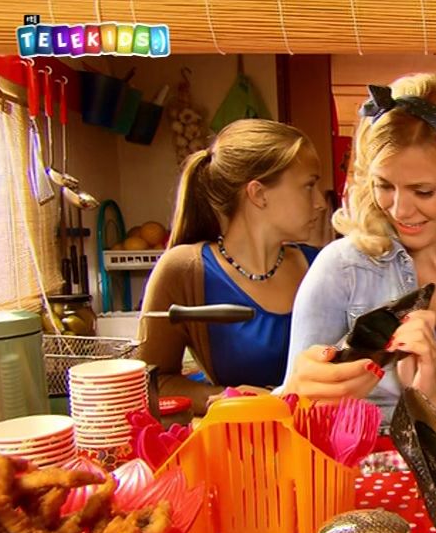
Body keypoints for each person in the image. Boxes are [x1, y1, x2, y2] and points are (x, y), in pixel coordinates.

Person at [279, 73, 436, 451]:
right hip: (362, 478)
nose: (400, 210)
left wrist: (435, 396)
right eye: (384, 185)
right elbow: (293, 407)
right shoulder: (343, 269)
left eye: (423, 191)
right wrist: (302, 390)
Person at [139, 119, 326, 414]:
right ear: (258, 194)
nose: (320, 202)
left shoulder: (322, 266)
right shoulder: (184, 270)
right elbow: (152, 382)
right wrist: (230, 398)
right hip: (235, 436)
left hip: (314, 434)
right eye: (309, 186)